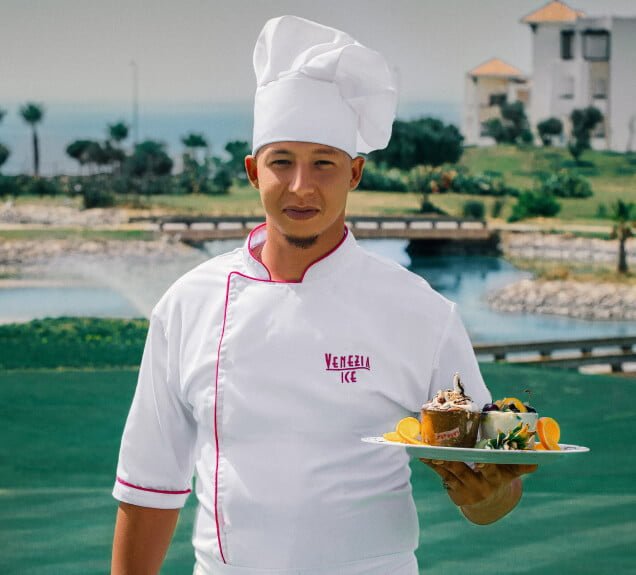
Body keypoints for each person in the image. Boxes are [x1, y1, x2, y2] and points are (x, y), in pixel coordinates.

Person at [111, 15, 536, 575]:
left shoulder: (420, 312)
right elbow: (149, 484)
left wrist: (489, 495)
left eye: (324, 164)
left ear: (355, 173)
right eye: (281, 162)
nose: (301, 186)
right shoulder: (188, 305)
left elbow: (490, 484)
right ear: (252, 171)